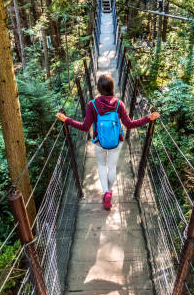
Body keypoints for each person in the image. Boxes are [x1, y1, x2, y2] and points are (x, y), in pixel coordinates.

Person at [56, 75, 159, 210]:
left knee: (101, 165)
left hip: (100, 141)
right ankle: (109, 191)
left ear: (98, 89)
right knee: (112, 166)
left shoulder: (92, 105)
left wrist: (66, 120)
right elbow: (129, 124)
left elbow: (85, 127)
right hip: (116, 140)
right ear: (112, 88)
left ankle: (106, 192)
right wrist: (148, 118)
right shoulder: (118, 104)